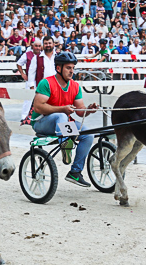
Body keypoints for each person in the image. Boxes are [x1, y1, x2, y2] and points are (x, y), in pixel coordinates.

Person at [31, 52, 98, 187]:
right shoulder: (46, 83)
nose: (72, 71)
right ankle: (66, 144)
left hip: (62, 125)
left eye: (73, 68)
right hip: (41, 123)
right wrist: (62, 109)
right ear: (58, 68)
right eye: (68, 68)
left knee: (88, 135)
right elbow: (38, 107)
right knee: (62, 116)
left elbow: (80, 111)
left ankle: (75, 172)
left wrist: (89, 110)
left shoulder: (75, 86)